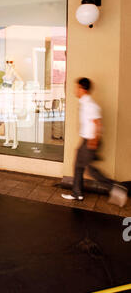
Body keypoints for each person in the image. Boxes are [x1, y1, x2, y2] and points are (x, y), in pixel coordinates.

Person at [61, 77, 128, 206]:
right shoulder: (85, 103)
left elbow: (97, 123)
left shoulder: (90, 105)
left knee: (90, 170)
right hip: (85, 140)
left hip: (90, 141)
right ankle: (77, 193)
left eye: (77, 87)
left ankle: (116, 189)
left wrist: (94, 141)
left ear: (82, 88)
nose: (75, 90)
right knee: (78, 166)